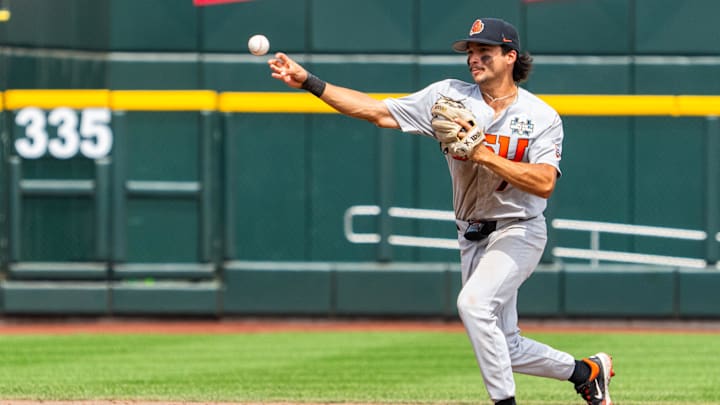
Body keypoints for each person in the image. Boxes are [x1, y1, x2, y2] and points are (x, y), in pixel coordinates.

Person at [268, 17, 614, 405]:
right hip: (472, 232)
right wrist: (310, 83)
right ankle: (588, 372)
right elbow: (377, 111)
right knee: (505, 346)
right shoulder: (448, 98)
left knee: (473, 304)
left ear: (510, 57)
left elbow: (545, 182)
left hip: (520, 228)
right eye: (470, 53)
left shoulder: (541, 116)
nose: (474, 59)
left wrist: (483, 153)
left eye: (484, 52)